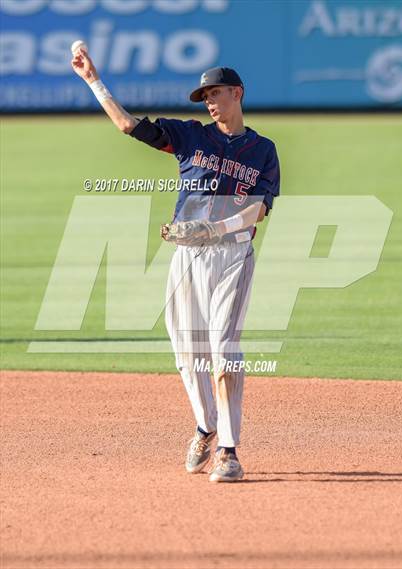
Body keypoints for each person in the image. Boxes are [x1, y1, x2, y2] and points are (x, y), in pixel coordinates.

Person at [72, 49, 280, 483]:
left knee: (224, 349)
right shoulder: (191, 137)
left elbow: (258, 210)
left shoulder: (263, 150)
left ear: (237, 93)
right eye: (205, 95)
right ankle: (205, 428)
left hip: (232, 256)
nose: (209, 101)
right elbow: (129, 126)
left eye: (216, 92)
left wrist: (216, 229)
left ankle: (229, 451)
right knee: (189, 356)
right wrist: (94, 81)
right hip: (186, 258)